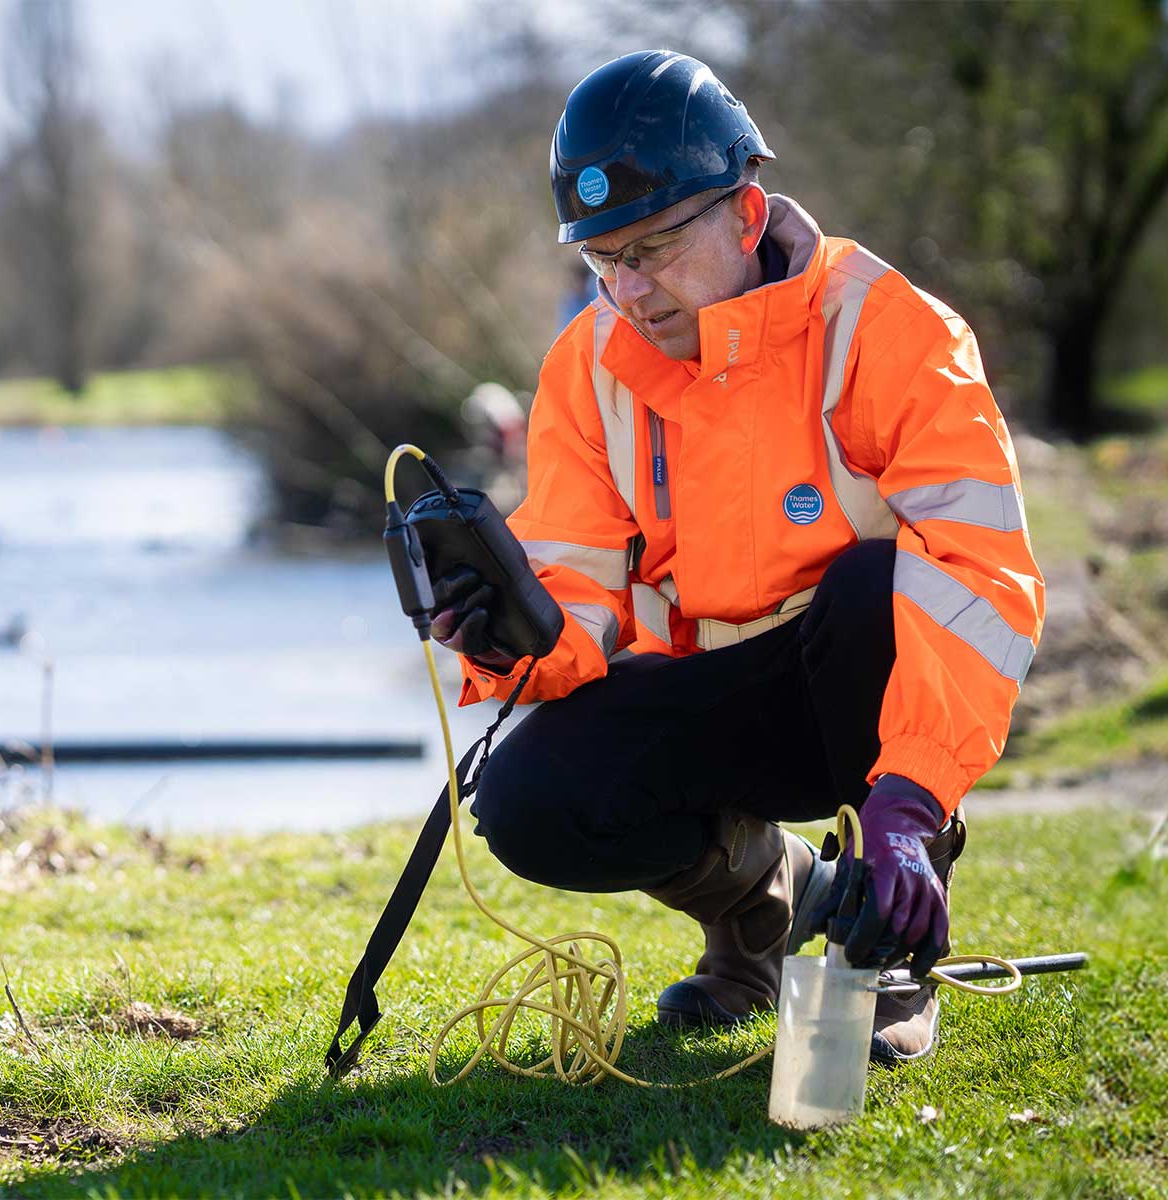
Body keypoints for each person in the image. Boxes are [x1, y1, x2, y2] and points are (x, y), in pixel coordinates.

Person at [409, 50, 1045, 1062]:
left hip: (863, 703)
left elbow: (981, 576)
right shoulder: (586, 363)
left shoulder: (893, 331)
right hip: (703, 696)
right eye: (603, 259)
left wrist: (913, 800)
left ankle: (889, 951)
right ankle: (764, 910)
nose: (629, 289)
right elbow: (576, 586)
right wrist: (510, 629)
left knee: (879, 583)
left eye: (655, 248)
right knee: (528, 804)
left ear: (745, 215)